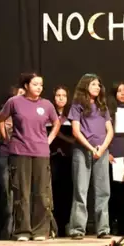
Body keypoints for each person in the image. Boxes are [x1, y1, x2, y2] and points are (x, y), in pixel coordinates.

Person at [0, 73, 60, 241]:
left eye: (41, 85)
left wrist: (48, 140)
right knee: (21, 192)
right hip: (20, 152)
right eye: (35, 84)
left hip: (41, 153)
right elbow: (1, 120)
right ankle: (22, 231)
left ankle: (39, 230)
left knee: (41, 192)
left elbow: (56, 123)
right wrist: (7, 139)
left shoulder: (46, 104)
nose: (39, 87)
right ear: (26, 86)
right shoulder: (14, 102)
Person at [67, 73, 114, 239]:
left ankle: (103, 229)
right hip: (82, 151)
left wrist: (102, 149)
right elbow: (75, 131)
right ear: (85, 86)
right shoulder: (77, 105)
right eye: (93, 84)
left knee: (103, 191)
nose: (97, 87)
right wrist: (91, 148)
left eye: (98, 85)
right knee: (81, 190)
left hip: (101, 151)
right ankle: (77, 229)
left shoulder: (102, 107)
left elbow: (110, 131)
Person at [0, 86, 24, 240]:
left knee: (20, 192)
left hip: (21, 156)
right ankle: (7, 230)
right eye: (20, 94)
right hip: (5, 154)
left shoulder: (25, 114)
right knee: (6, 193)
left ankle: (20, 229)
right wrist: (2, 127)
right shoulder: (0, 114)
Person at [106, 81, 124, 235]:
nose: (123, 93)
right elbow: (105, 134)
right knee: (115, 193)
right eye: (119, 91)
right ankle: (114, 226)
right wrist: (107, 152)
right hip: (115, 156)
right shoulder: (109, 112)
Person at [49, 85, 75, 237]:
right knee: (53, 190)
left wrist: (60, 135)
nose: (61, 98)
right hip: (51, 157)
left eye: (64, 95)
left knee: (68, 190)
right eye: (58, 95)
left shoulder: (71, 116)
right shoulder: (48, 115)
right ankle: (54, 224)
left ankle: (66, 223)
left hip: (68, 158)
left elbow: (74, 139)